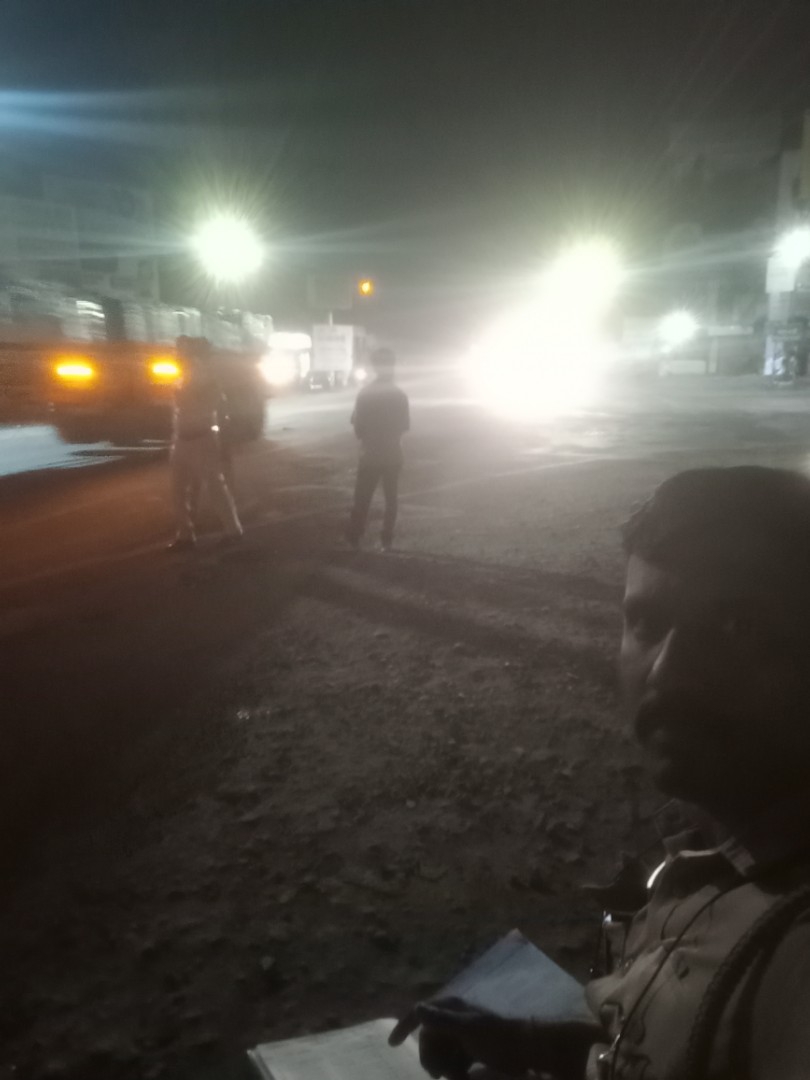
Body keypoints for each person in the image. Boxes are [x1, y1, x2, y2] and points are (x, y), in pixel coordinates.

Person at [390, 466, 810, 1079]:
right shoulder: (712, 846)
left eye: (734, 628)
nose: (666, 672)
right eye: (645, 623)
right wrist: (534, 1047)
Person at [168, 337, 243, 551]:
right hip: (182, 438)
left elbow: (212, 402)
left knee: (214, 486)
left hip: (201, 438)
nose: (177, 354)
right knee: (178, 490)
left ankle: (233, 530)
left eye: (181, 351)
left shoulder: (202, 375)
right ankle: (185, 535)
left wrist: (223, 440)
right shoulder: (181, 374)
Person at [346, 347, 410, 552]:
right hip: (392, 454)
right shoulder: (400, 395)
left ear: (374, 366)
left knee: (362, 498)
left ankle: (355, 536)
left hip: (370, 454)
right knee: (391, 498)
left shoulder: (365, 394)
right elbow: (404, 426)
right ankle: (386, 539)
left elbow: (358, 429)